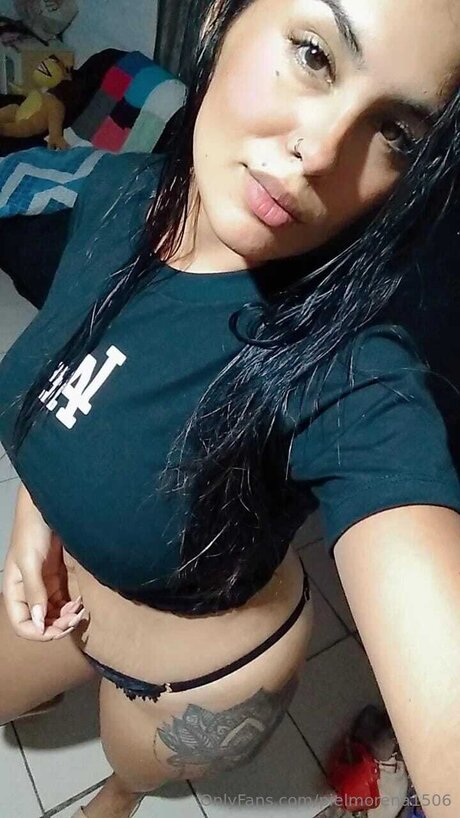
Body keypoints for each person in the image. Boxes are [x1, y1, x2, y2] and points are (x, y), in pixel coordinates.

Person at [0, 1, 460, 817]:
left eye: (395, 132)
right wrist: (35, 520)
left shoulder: (354, 374)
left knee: (126, 783)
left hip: (196, 673)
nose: (322, 151)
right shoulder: (116, 193)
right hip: (67, 587)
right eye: (315, 54)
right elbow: (80, 374)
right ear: (223, 14)